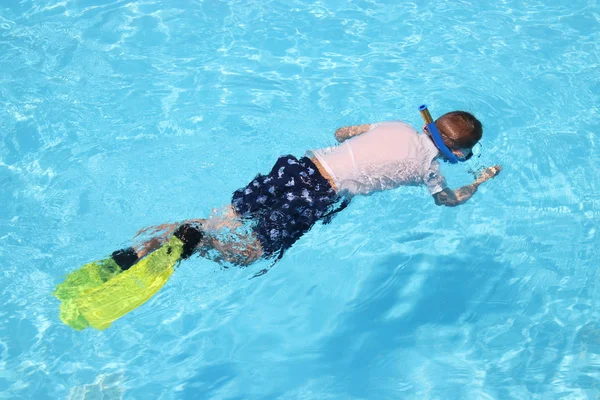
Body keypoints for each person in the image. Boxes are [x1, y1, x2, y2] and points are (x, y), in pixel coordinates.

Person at [110, 109, 502, 271]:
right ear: (455, 151)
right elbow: (446, 201)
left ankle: (142, 247)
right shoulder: (428, 168)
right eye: (465, 154)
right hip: (316, 196)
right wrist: (479, 182)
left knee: (225, 217)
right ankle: (201, 244)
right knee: (254, 253)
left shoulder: (395, 124)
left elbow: (341, 133)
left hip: (299, 167)